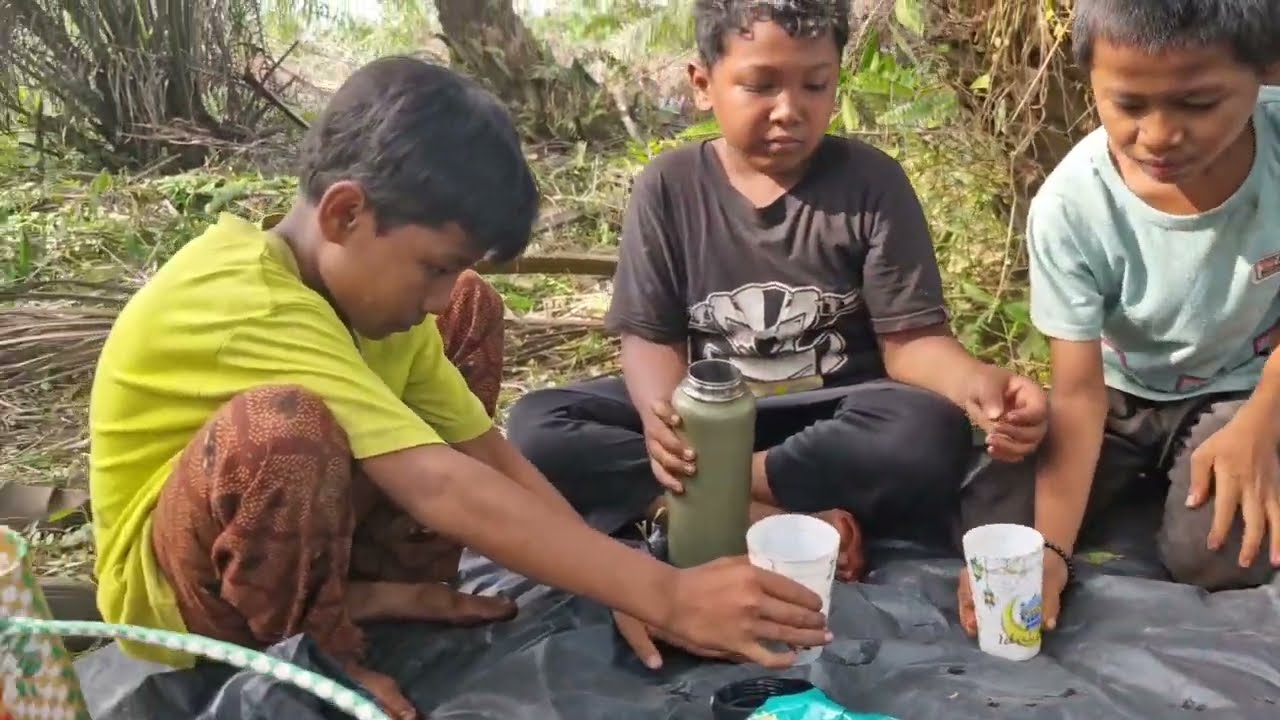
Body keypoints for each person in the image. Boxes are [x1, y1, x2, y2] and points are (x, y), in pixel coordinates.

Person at [88, 57, 836, 720]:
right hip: (192, 596)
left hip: (311, 533)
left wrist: (621, 585)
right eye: (434, 266)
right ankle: (318, 656)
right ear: (347, 213)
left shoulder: (365, 297)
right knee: (283, 430)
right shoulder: (242, 300)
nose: (441, 296)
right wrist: (668, 596)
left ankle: (370, 591)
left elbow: (480, 450)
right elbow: (439, 484)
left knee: (471, 310)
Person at [507, 0, 1049, 586]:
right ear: (702, 84)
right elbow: (651, 337)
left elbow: (911, 343)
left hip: (835, 418)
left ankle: (705, 502)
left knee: (922, 429)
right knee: (539, 423)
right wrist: (670, 427)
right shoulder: (668, 187)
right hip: (710, 415)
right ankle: (755, 516)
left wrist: (977, 383)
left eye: (815, 85)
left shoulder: (873, 183)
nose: (789, 110)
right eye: (760, 85)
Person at [957, 0, 1280, 639]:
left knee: (1217, 553)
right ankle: (1153, 472)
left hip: (1243, 386)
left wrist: (1260, 426)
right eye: (1129, 105)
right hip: (1118, 397)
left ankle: (1199, 469)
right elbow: (1078, 394)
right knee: (993, 523)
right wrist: (1048, 555)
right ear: (1092, 82)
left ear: (1267, 72)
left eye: (1197, 103)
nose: (1159, 135)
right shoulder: (1072, 208)